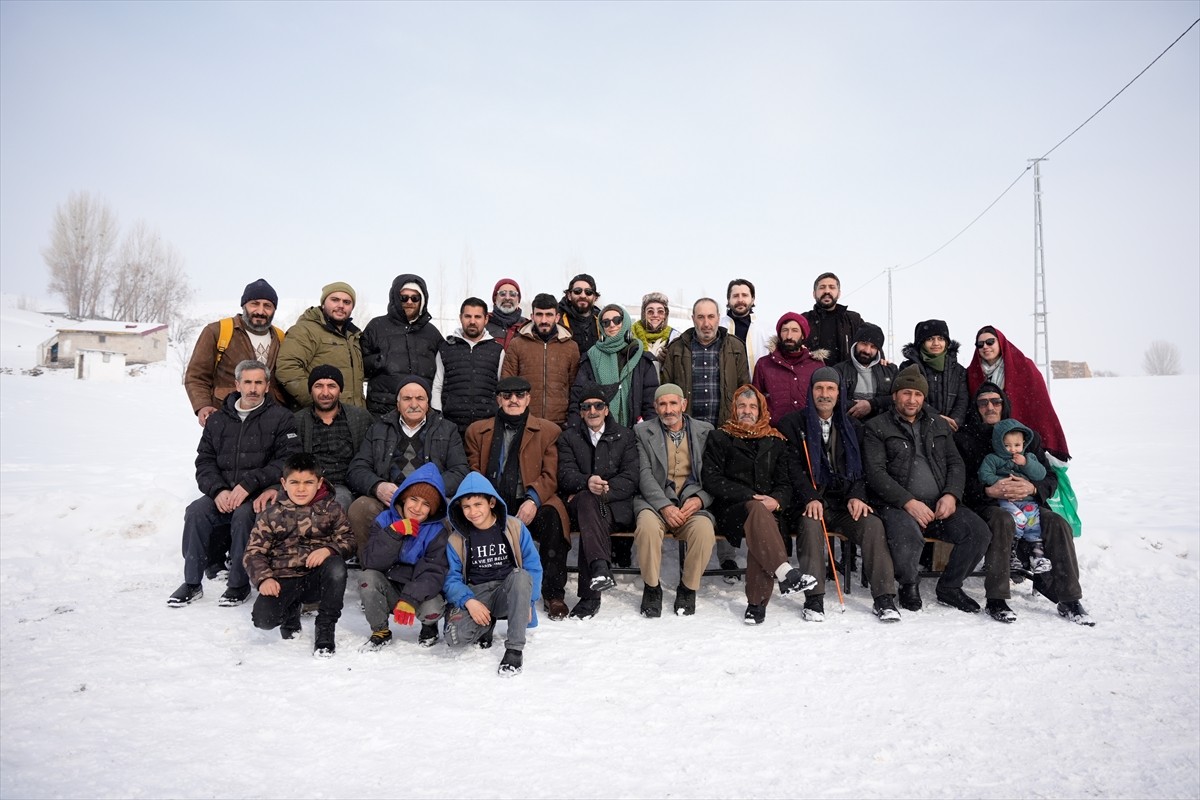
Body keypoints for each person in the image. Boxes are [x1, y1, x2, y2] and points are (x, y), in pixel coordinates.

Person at [956, 382, 1092, 625]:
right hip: (987, 505)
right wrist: (988, 490)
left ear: (1004, 404)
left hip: (1028, 502)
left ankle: (1069, 598)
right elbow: (957, 482)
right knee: (1003, 520)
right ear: (975, 408)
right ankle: (997, 598)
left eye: (995, 401)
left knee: (1058, 524)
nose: (990, 407)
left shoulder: (1024, 435)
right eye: (983, 402)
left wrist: (1032, 487)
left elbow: (1049, 478)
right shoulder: (966, 438)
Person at [168, 359, 301, 608]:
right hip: (224, 491)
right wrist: (218, 490)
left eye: (259, 383)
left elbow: (286, 461)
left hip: (259, 493)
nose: (253, 388)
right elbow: (204, 462)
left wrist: (250, 485)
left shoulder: (281, 418)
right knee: (196, 511)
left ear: (267, 386)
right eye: (248, 382)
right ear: (237, 384)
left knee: (243, 516)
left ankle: (239, 584)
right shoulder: (218, 420)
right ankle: (192, 582)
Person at [862, 366, 990, 614]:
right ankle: (908, 584)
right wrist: (907, 501)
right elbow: (875, 473)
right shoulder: (877, 427)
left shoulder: (937, 424)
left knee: (978, 532)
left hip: (940, 505)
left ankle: (950, 587)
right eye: (906, 393)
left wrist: (951, 495)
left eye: (918, 395)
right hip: (897, 505)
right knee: (906, 535)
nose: (912, 400)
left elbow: (955, 463)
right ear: (895, 394)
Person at [779, 367, 902, 622]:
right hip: (810, 501)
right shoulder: (792, 424)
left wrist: (857, 495)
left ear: (839, 392)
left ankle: (884, 598)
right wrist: (810, 497)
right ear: (811, 391)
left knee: (872, 525)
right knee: (811, 525)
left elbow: (863, 469)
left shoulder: (854, 427)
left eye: (830, 389)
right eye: (819, 388)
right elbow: (791, 469)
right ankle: (814, 599)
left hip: (845, 503)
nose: (824, 394)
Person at [702, 384, 817, 625]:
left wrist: (776, 501)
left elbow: (785, 483)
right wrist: (749, 496)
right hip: (731, 509)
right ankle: (784, 573)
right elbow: (712, 479)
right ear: (734, 408)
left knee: (761, 522)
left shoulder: (775, 440)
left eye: (752, 406)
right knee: (757, 513)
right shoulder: (720, 437)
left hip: (770, 510)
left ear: (761, 410)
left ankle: (756, 605)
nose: (747, 411)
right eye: (742, 406)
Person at [464, 376, 571, 620]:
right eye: (507, 396)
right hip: (491, 500)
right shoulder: (478, 431)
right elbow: (473, 472)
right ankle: (485, 591)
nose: (514, 400)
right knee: (471, 521)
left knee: (553, 519)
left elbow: (550, 475)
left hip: (530, 499)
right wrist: (486, 504)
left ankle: (554, 594)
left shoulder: (548, 431)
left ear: (528, 398)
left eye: (520, 395)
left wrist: (533, 500)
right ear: (499, 399)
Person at [243, 453, 354, 657]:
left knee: (337, 567)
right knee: (263, 621)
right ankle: (290, 613)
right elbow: (253, 552)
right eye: (294, 482)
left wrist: (329, 549)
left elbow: (349, 539)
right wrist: (264, 578)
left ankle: (325, 627)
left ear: (319, 482)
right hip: (283, 579)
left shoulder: (331, 508)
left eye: (308, 482)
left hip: (316, 578)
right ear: (283, 483)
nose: (301, 489)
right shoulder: (271, 513)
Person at [345, 376, 468, 560]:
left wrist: (430, 490)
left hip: (428, 500)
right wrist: (378, 487)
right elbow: (357, 468)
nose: (414, 404)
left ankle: (439, 567)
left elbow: (460, 470)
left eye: (420, 398)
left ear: (428, 403)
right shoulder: (379, 428)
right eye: (407, 398)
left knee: (449, 510)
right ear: (397, 403)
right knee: (360, 508)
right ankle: (370, 564)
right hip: (390, 499)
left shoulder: (447, 429)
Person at [443, 471, 544, 676]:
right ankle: (485, 623)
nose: (473, 512)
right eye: (466, 507)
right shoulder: (456, 539)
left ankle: (515, 649)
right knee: (455, 638)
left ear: (490, 503)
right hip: (476, 593)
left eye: (478, 505)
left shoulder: (514, 527)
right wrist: (468, 601)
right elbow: (450, 577)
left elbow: (533, 565)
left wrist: (529, 601)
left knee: (522, 576)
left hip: (507, 589)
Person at [632, 384, 717, 618]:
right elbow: (644, 474)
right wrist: (665, 506)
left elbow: (713, 475)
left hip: (692, 502)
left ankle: (688, 588)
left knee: (704, 531)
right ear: (655, 407)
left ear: (683, 404)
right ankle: (651, 587)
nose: (668, 409)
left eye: (673, 403)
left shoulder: (705, 431)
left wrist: (700, 500)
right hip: (655, 502)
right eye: (662, 404)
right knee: (647, 528)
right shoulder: (642, 432)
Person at [556, 382, 639, 619]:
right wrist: (586, 482)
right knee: (588, 505)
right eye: (587, 407)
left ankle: (591, 594)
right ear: (581, 412)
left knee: (590, 511)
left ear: (607, 409)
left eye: (598, 406)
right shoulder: (569, 438)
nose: (592, 411)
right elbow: (565, 473)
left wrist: (604, 490)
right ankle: (599, 569)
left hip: (615, 507)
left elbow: (631, 477)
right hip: (582, 506)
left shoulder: (625, 436)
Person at [358, 463, 451, 651]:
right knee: (367, 578)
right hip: (390, 583)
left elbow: (433, 572)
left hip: (419, 590)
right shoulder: (384, 520)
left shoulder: (437, 531)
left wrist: (410, 598)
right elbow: (371, 561)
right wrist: (393, 533)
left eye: (426, 504)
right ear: (403, 498)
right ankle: (380, 630)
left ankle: (429, 627)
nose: (417, 508)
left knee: (432, 609)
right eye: (414, 499)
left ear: (432, 510)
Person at [184, 278, 285, 426]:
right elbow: (196, 376)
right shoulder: (217, 331)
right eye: (254, 304)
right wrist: (203, 405)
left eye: (267, 306)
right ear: (244, 305)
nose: (260, 311)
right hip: (226, 419)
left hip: (270, 424)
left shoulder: (280, 337)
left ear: (274, 309)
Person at [967, 326, 1071, 461]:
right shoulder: (972, 373)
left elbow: (1040, 404)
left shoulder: (1024, 366)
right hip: (986, 439)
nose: (985, 347)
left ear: (1001, 342)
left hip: (1019, 436)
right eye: (980, 344)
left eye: (990, 342)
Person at [293, 364, 373, 511]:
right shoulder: (297, 421)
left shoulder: (360, 418)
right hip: (307, 485)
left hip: (345, 486)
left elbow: (369, 458)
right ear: (310, 390)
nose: (325, 392)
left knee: (337, 505)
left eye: (331, 386)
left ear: (340, 389)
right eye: (318, 386)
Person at [660, 297, 750, 428]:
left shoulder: (736, 347)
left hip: (725, 429)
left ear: (718, 318)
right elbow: (666, 390)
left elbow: (744, 389)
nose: (706, 323)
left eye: (711, 316)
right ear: (693, 319)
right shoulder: (676, 348)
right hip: (686, 429)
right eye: (701, 317)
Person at [362, 274, 443, 418]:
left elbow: (444, 369)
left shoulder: (432, 333)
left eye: (415, 298)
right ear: (395, 298)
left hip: (419, 412)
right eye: (403, 298)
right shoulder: (376, 326)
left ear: (422, 300)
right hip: (382, 409)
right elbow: (359, 366)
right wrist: (380, 361)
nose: (409, 302)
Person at [275, 281, 365, 409]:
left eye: (347, 302)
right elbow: (287, 368)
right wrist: (318, 403)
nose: (341, 305)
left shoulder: (353, 336)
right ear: (323, 303)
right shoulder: (305, 330)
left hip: (353, 416)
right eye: (335, 300)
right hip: (321, 418)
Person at [569, 303, 659, 429]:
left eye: (617, 320)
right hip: (598, 434)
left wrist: (647, 432)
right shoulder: (591, 358)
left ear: (626, 322)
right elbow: (578, 397)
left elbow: (651, 403)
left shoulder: (641, 359)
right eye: (606, 322)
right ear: (601, 327)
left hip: (636, 433)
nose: (612, 325)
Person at [978, 419, 1051, 574]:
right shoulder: (993, 459)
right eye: (1007, 445)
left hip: (1027, 501)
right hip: (1006, 500)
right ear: (999, 444)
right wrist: (1002, 483)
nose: (1012, 450)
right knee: (1016, 520)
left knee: (1032, 524)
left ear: (1024, 443)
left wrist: (1026, 463)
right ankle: (1012, 554)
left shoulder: (1029, 457)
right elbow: (984, 474)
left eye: (1017, 445)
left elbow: (1041, 474)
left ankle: (1037, 555)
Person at [501, 292, 581, 426]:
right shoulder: (517, 344)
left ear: (557, 317)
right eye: (539, 314)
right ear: (532, 316)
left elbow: (575, 387)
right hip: (525, 422)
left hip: (560, 424)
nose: (544, 320)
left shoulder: (570, 347)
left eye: (549, 315)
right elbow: (507, 383)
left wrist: (571, 420)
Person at [432, 297, 506, 433]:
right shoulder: (446, 348)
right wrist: (438, 417)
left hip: (487, 427)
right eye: (468, 316)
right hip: (451, 426)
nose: (472, 321)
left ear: (486, 319)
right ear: (461, 318)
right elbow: (437, 385)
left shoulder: (497, 350)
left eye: (477, 317)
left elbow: (501, 388)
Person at [752, 311, 827, 423]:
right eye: (785, 330)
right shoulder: (764, 364)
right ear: (779, 334)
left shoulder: (816, 365)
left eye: (795, 330)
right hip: (773, 432)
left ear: (803, 335)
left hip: (808, 431)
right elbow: (755, 400)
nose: (789, 336)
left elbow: (824, 400)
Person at [898, 319, 969, 431]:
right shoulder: (908, 367)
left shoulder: (958, 370)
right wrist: (935, 418)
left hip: (951, 430)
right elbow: (907, 398)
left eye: (940, 339)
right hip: (917, 427)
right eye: (930, 339)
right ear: (921, 342)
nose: (936, 343)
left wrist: (955, 421)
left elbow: (962, 400)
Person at [832, 322, 897, 422]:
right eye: (864, 344)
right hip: (847, 427)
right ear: (855, 343)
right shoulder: (839, 370)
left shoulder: (890, 371)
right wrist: (854, 406)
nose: (867, 350)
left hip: (882, 431)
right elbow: (830, 399)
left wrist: (872, 405)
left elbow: (899, 398)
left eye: (873, 347)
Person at [801, 272, 863, 367]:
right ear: (814, 294)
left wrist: (880, 359)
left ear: (838, 293)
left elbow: (871, 341)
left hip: (845, 379)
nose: (827, 291)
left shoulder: (853, 320)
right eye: (822, 287)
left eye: (832, 287)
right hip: (810, 379)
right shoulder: (803, 320)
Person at [720, 278, 773, 370]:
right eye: (735, 296)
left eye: (745, 295)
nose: (740, 300)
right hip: (725, 384)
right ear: (728, 299)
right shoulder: (718, 328)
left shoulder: (767, 330)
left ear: (752, 299)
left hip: (756, 383)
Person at [630, 291, 680, 370]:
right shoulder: (631, 335)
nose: (655, 315)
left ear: (665, 315)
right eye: (650, 311)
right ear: (643, 314)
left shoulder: (675, 338)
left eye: (660, 311)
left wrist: (668, 361)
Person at [557, 273, 602, 356]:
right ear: (569, 295)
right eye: (577, 291)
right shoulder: (557, 319)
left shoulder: (603, 321)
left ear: (595, 297)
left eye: (588, 292)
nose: (583, 295)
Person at [485, 278, 528, 347]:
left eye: (512, 294)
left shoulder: (526, 327)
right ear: (495, 299)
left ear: (518, 299)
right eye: (502, 294)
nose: (507, 298)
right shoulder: (484, 324)